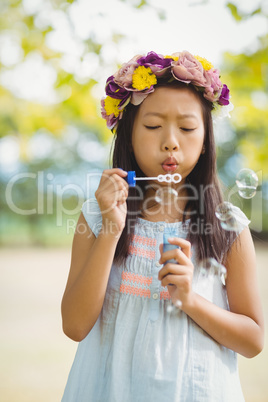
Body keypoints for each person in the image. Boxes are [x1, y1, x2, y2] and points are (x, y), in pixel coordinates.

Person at [61, 51, 264, 401]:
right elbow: (75, 326)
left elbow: (253, 340)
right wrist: (112, 229)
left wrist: (190, 300)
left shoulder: (228, 227)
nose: (170, 140)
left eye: (186, 128)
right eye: (153, 126)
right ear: (128, 136)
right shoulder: (97, 216)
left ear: (205, 142)